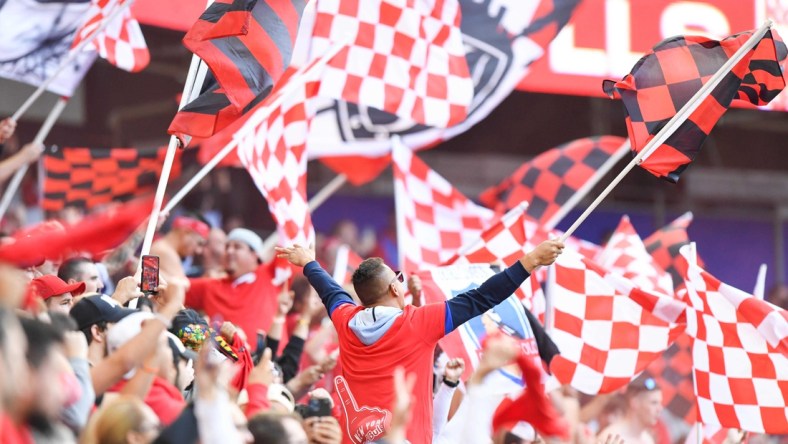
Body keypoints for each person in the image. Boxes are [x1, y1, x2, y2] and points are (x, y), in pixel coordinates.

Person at [275, 239, 564, 444]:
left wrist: (308, 263)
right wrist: (530, 262)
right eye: (397, 278)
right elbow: (482, 297)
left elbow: (330, 292)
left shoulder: (345, 320)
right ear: (393, 287)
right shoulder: (419, 323)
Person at [186, 228, 280, 352]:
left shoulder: (270, 276)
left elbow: (295, 243)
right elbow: (173, 287)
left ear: (254, 255)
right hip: (220, 364)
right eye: (227, 247)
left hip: (263, 364)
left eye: (237, 247)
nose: (229, 251)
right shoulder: (210, 285)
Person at [598, 375, 664, 444]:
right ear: (635, 403)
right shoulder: (612, 437)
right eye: (654, 403)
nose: (659, 409)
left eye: (660, 403)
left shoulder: (648, 440)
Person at [150, 214, 210, 288]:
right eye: (199, 243)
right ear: (186, 232)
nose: (199, 251)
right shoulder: (164, 251)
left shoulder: (165, 249)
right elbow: (182, 288)